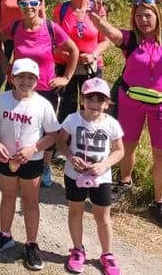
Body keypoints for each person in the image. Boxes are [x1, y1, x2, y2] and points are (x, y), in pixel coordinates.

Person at [89, 0, 162, 228]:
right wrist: (98, 20)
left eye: (147, 15)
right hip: (131, 102)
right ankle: (124, 183)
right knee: (127, 146)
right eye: (138, 15)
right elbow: (112, 34)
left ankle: (158, 204)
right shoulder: (130, 40)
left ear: (157, 16)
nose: (143, 20)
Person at [0, 58, 61, 271]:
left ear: (37, 80)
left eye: (30, 77)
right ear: (12, 78)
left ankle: (31, 243)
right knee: (7, 197)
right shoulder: (2, 99)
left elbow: (52, 135)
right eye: (21, 77)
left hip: (31, 160)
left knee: (30, 201)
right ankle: (5, 235)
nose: (25, 81)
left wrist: (33, 149)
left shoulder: (43, 104)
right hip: (6, 158)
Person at [0, 0, 78, 187]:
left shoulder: (50, 28)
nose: (29, 7)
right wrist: (5, 64)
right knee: (18, 124)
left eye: (33, 3)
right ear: (19, 6)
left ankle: (44, 166)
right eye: (24, 3)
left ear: (40, 5)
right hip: (18, 86)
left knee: (46, 130)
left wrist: (66, 78)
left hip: (45, 88)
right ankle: (16, 161)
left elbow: (73, 50)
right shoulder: (14, 27)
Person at [57, 78, 125, 275]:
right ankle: (78, 250)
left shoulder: (112, 124)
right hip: (74, 174)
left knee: (102, 217)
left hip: (101, 178)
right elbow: (61, 141)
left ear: (107, 103)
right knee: (75, 211)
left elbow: (119, 151)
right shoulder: (72, 119)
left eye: (99, 100)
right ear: (82, 100)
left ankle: (107, 254)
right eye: (90, 99)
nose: (94, 104)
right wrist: (70, 157)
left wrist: (103, 165)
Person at [52, 0, 112, 124]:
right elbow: (54, 39)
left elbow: (106, 41)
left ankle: (87, 139)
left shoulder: (97, 10)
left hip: (91, 66)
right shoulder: (61, 9)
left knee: (91, 105)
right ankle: (63, 142)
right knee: (66, 106)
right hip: (66, 65)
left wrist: (93, 54)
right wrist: (66, 54)